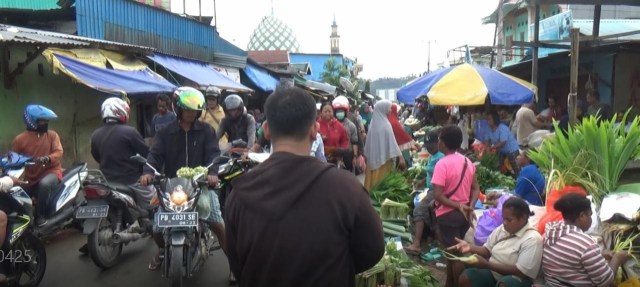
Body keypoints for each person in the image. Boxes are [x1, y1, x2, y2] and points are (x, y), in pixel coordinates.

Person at [225, 86, 384, 287]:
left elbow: (236, 263)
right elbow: (374, 250)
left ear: (266, 130)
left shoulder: (239, 193)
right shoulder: (347, 188)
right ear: (314, 130)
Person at [139, 87, 233, 282]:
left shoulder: (206, 130)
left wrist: (213, 173)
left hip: (200, 185)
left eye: (194, 110)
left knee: (218, 224)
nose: (191, 114)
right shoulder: (165, 132)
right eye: (187, 109)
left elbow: (214, 154)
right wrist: (148, 171)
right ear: (178, 109)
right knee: (156, 229)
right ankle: (163, 251)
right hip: (172, 186)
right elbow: (154, 155)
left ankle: (234, 264)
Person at [449, 197, 543, 287]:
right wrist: (469, 247)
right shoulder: (502, 229)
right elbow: (486, 250)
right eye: (503, 218)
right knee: (465, 277)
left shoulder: (532, 239)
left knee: (505, 284)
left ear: (523, 218)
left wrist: (487, 265)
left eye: (509, 220)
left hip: (516, 280)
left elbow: (520, 272)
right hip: (493, 273)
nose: (504, 223)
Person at [543, 192, 630, 286]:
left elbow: (571, 257)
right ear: (582, 216)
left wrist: (600, 255)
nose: (591, 219)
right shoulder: (585, 243)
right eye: (590, 214)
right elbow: (605, 282)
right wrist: (617, 259)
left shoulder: (552, 230)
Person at [431, 125, 481, 287]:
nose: (437, 142)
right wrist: (469, 206)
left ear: (443, 143)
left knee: (455, 256)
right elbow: (476, 188)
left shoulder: (441, 164)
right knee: (453, 252)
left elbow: (438, 195)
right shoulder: (467, 161)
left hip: (447, 215)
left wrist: (458, 206)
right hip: (464, 216)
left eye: (439, 139)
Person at [12, 104, 63, 226]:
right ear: (32, 122)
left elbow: (59, 152)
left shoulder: (52, 135)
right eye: (42, 121)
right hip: (30, 178)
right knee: (16, 192)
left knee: (44, 184)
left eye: (46, 121)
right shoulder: (20, 140)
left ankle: (40, 217)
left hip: (52, 172)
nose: (45, 124)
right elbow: (13, 159)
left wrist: (48, 158)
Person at [91, 97, 149, 185]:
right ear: (120, 111)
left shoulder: (95, 134)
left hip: (107, 183)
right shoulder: (130, 132)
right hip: (131, 182)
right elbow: (146, 153)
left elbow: (97, 156)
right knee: (153, 196)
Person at [404, 130, 444, 255]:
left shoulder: (441, 158)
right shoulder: (432, 156)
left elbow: (440, 178)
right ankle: (434, 238)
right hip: (430, 189)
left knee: (419, 210)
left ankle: (416, 244)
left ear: (437, 143)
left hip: (436, 190)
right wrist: (422, 181)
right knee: (426, 211)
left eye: (431, 146)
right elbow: (430, 173)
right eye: (427, 147)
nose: (429, 149)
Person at [363, 100, 406, 191]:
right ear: (383, 109)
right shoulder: (386, 125)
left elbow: (368, 145)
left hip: (372, 161)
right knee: (381, 186)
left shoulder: (372, 125)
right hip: (384, 162)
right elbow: (393, 144)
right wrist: (400, 157)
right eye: (389, 108)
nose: (390, 110)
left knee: (372, 186)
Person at [332, 96, 359, 171]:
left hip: (347, 155)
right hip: (334, 155)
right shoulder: (330, 124)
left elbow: (354, 142)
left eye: (341, 111)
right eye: (337, 111)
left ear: (345, 112)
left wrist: (355, 157)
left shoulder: (351, 125)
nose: (339, 113)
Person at [389, 103, 420, 168]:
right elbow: (403, 136)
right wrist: (415, 144)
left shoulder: (388, 120)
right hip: (397, 150)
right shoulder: (394, 122)